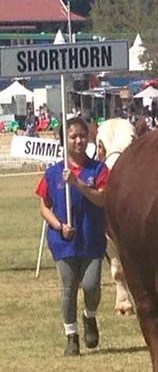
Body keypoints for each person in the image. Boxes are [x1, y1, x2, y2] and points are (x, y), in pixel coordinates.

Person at [35, 117, 109, 356]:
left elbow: (102, 199)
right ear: (64, 140)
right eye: (73, 136)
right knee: (69, 288)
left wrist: (77, 183)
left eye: (82, 135)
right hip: (64, 240)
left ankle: (90, 316)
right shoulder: (53, 173)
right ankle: (71, 336)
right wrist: (58, 226)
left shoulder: (98, 169)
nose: (78, 140)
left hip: (92, 237)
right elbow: (44, 206)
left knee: (90, 285)